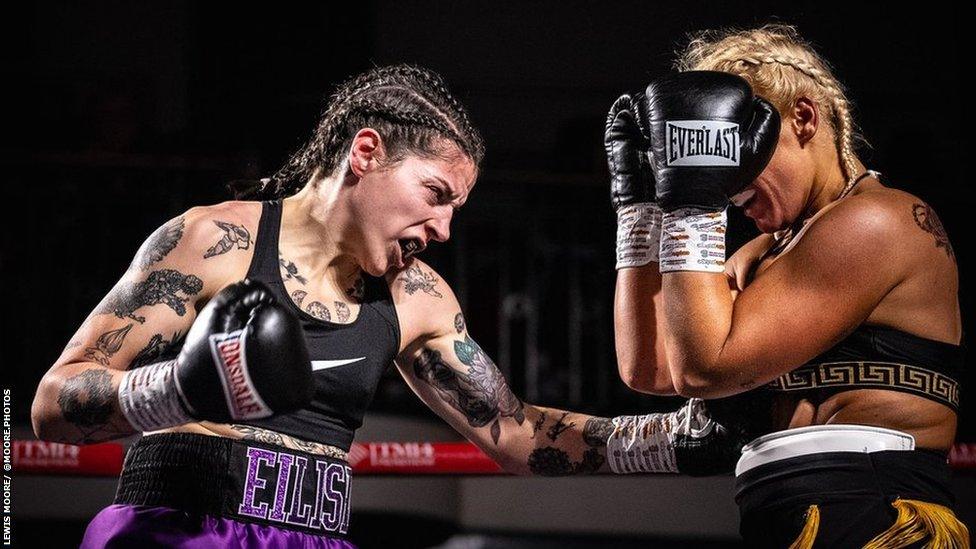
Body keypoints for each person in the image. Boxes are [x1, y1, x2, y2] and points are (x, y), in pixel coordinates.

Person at [32, 64, 730, 548]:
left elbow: (517, 434)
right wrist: (180, 388)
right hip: (177, 527)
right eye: (436, 194)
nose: (445, 230)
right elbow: (53, 403)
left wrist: (670, 436)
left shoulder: (415, 297)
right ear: (366, 152)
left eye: (457, 209)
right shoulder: (215, 240)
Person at [608, 24, 969, 547]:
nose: (728, 175)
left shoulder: (877, 220)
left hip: (875, 510)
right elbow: (654, 367)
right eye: (715, 150)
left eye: (736, 146)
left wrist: (695, 200)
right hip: (782, 509)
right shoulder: (763, 250)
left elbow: (706, 367)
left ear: (803, 118)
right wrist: (640, 211)